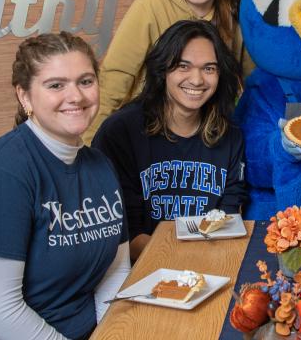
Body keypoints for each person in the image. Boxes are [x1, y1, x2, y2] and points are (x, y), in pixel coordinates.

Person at [0, 32, 130, 340]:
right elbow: (0, 310)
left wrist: (111, 335)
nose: (76, 96)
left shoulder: (100, 166)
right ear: (24, 96)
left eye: (86, 81)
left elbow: (115, 272)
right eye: (56, 85)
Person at [93, 19, 247, 261]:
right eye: (183, 66)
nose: (197, 80)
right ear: (163, 69)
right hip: (141, 271)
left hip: (210, 266)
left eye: (209, 68)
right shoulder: (120, 132)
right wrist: (181, 259)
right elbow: (123, 234)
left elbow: (228, 221)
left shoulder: (231, 135)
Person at [84, 0, 250, 142]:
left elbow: (255, 82)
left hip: (209, 134)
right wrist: (88, 149)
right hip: (150, 133)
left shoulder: (235, 10)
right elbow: (113, 82)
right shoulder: (149, 7)